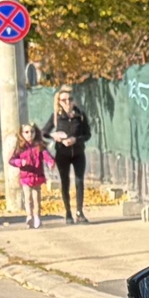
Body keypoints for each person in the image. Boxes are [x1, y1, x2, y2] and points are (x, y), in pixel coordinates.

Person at [48, 86, 93, 223]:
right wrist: (56, 137)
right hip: (62, 153)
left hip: (78, 152)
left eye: (70, 99)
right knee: (65, 182)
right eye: (64, 100)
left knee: (79, 181)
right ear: (59, 102)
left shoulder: (80, 115)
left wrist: (75, 139)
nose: (67, 102)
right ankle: (68, 213)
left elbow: (87, 134)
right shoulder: (56, 116)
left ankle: (79, 212)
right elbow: (44, 132)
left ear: (74, 101)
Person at [10, 123, 52, 229]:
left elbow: (46, 155)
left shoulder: (38, 146)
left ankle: (37, 217)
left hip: (37, 176)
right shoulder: (20, 147)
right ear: (22, 134)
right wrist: (20, 162)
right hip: (26, 177)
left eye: (32, 132)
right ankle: (29, 217)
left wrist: (50, 162)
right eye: (26, 132)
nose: (29, 135)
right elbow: (11, 160)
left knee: (36, 198)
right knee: (28, 198)